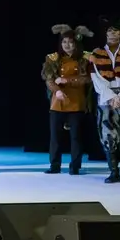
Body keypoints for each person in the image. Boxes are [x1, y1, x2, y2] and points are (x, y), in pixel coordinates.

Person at [42, 24, 92, 175]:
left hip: (77, 102)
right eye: (64, 42)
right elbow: (48, 78)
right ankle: (54, 165)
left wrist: (67, 81)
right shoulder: (53, 58)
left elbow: (88, 78)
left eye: (70, 42)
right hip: (57, 102)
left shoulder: (84, 58)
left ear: (76, 43)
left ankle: (75, 166)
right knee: (55, 137)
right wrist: (56, 91)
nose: (67, 45)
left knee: (76, 137)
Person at [89, 18, 120, 184]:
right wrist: (112, 96)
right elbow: (96, 77)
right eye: (110, 31)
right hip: (106, 98)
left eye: (116, 30)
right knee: (108, 135)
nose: (113, 34)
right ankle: (114, 171)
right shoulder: (97, 54)